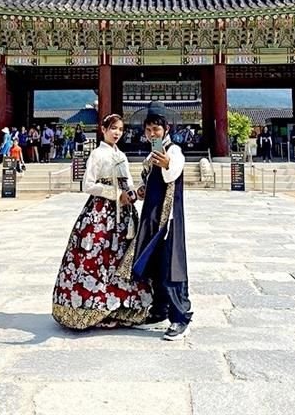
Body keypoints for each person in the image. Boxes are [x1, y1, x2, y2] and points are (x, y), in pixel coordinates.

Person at [52, 113, 152, 330]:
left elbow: (129, 183)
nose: (117, 133)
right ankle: (88, 305)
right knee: (95, 256)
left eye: (120, 129)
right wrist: (116, 194)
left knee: (122, 260)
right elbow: (88, 184)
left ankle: (119, 306)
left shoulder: (122, 156)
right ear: (103, 130)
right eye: (113, 128)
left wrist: (136, 193)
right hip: (101, 213)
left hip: (124, 214)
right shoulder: (97, 154)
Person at [132, 106, 193, 341]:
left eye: (156, 128)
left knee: (171, 266)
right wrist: (141, 190)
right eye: (148, 130)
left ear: (166, 129)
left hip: (168, 218)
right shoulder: (150, 154)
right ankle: (160, 310)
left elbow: (173, 172)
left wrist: (166, 163)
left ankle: (181, 317)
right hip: (152, 215)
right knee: (154, 264)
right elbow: (149, 184)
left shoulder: (174, 150)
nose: (152, 133)